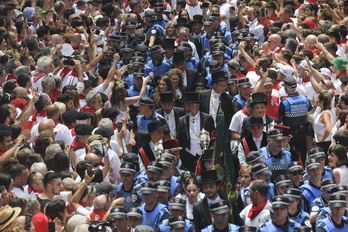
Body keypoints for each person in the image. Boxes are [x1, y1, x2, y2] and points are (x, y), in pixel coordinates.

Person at [177, 92, 215, 172]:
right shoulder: (181, 120)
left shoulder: (207, 118)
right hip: (188, 158)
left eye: (189, 105)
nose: (186, 108)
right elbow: (179, 139)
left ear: (197, 106)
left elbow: (213, 137)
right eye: (185, 105)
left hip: (204, 156)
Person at [279, 76, 312, 162]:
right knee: (302, 155)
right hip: (302, 133)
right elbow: (309, 111)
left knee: (288, 154)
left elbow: (280, 117)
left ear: (286, 89)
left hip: (289, 134)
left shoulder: (285, 103)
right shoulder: (305, 100)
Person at [312, 89, 337, 153]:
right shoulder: (327, 111)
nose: (316, 99)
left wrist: (322, 138)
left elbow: (328, 129)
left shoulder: (325, 114)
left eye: (317, 98)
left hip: (324, 144)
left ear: (322, 101)